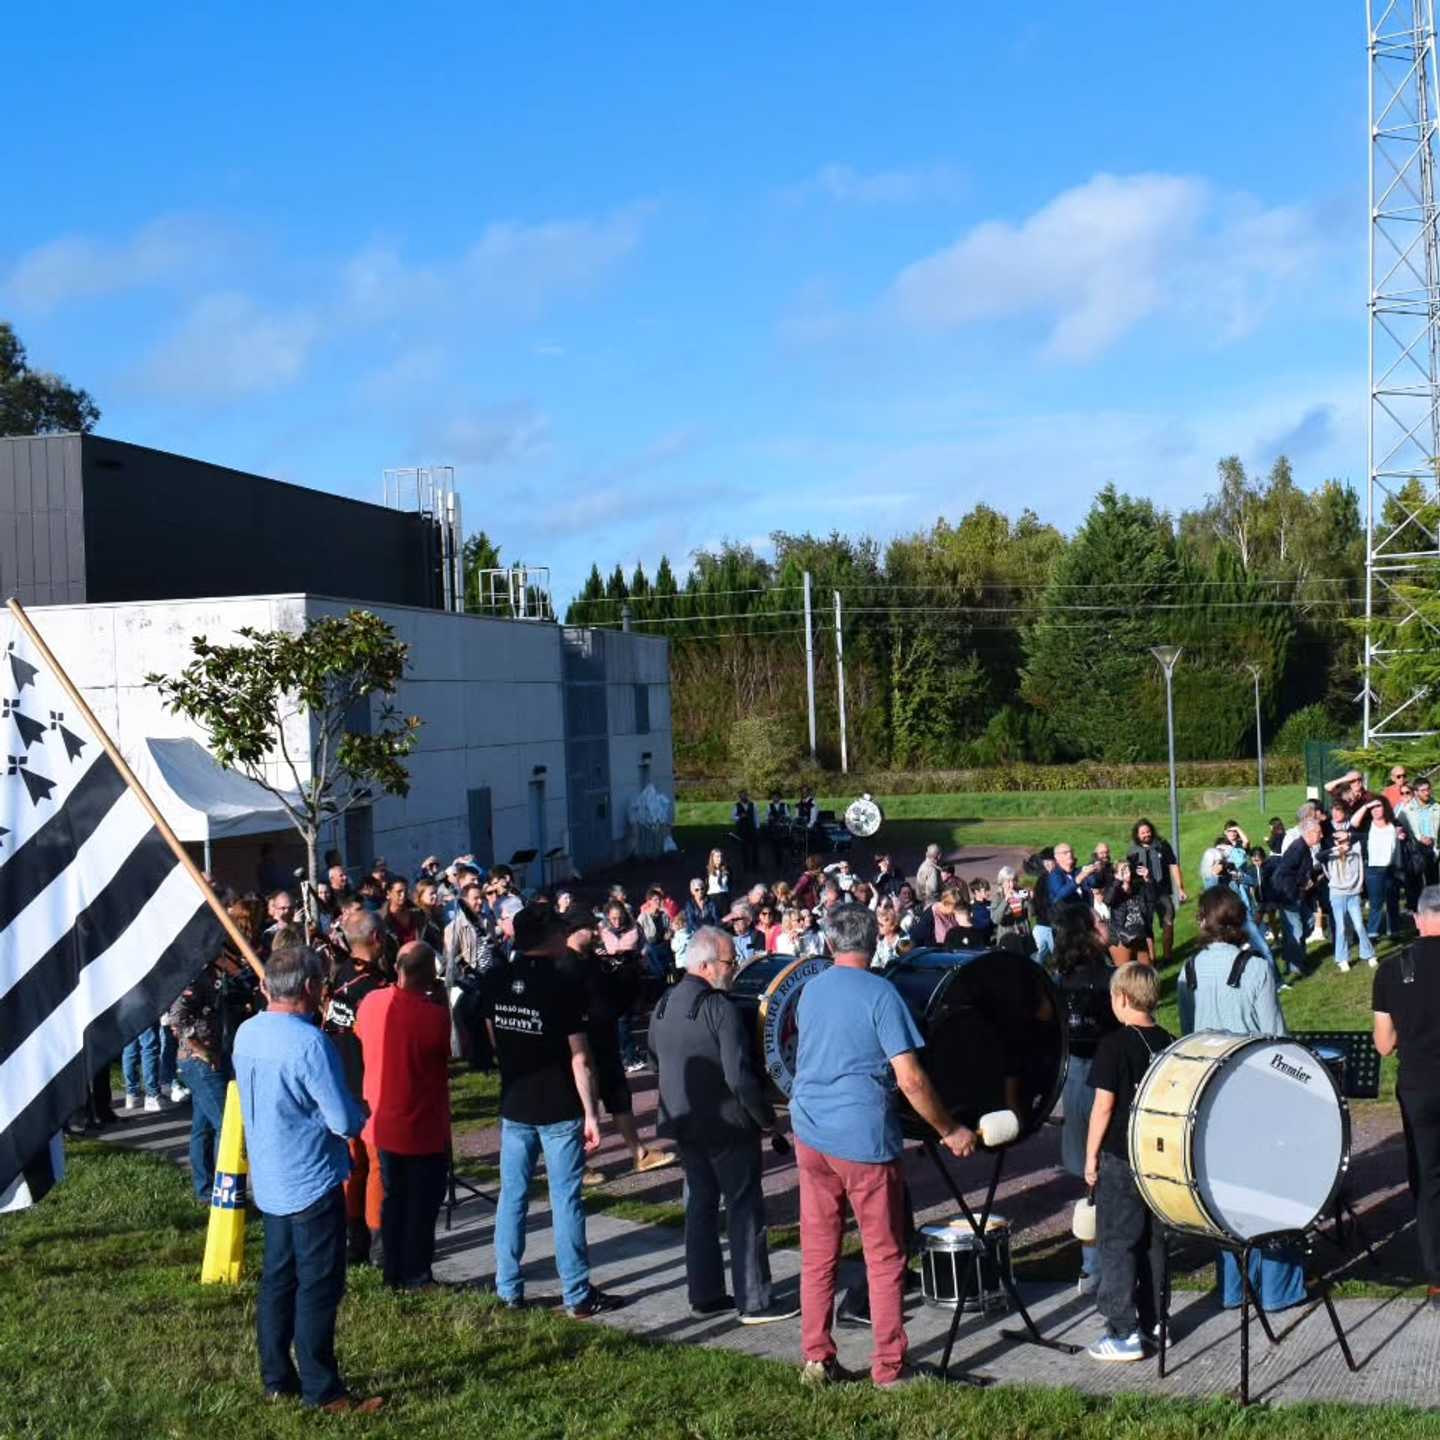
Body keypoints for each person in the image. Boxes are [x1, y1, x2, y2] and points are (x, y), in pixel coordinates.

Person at [790, 904, 976, 1389]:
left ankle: (817, 1357)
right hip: (861, 1139)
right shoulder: (881, 994)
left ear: (830, 942)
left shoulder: (811, 989)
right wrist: (949, 1129)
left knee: (818, 1251)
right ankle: (890, 1367)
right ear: (874, 943)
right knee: (885, 1254)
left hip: (810, 1131)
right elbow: (910, 1079)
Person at [232, 947, 380, 1414]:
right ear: (312, 988)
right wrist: (359, 1110)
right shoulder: (310, 1043)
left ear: (266, 987)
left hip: (271, 1177)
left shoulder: (248, 1031)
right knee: (318, 1286)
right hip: (310, 1178)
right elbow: (343, 1121)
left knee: (278, 1280)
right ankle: (324, 1390)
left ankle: (277, 1378)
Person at [647, 927, 799, 1324]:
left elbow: (654, 1061)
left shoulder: (663, 1003)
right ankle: (755, 1300)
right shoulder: (720, 1009)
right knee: (744, 1209)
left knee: (699, 1207)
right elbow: (739, 1078)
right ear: (706, 965)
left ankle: (705, 1293)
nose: (734, 969)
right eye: (730, 962)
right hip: (728, 1126)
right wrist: (766, 1119)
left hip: (683, 1122)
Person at [485, 906, 624, 1318]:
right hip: (559, 1106)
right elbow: (580, 1057)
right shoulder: (563, 984)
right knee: (565, 1201)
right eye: (560, 931)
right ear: (547, 937)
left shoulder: (496, 978)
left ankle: (508, 1289)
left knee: (512, 1197)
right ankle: (576, 1294)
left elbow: (493, 1035)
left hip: (515, 1102)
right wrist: (592, 1114)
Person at [1177, 888, 1305, 1313]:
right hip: (1254, 1091)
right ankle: (1277, 1288)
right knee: (1269, 1190)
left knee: (1224, 1195)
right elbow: (1276, 1037)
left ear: (1203, 921)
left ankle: (1235, 1287)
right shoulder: (1256, 968)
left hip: (1208, 1093)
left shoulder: (1188, 970)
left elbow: (1189, 1034)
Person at [1084, 963, 1173, 1362]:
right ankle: (1156, 1322)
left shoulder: (1113, 1045)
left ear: (1121, 998)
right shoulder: (1169, 1042)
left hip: (1121, 1155)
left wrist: (1091, 1156)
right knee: (1154, 1243)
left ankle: (1123, 1331)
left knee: (1117, 1242)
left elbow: (1103, 1107)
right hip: (1160, 1158)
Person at [352, 941, 452, 1291]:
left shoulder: (371, 1002)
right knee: (422, 1206)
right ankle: (417, 1274)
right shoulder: (434, 1016)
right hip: (422, 1126)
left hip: (382, 1121)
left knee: (393, 1201)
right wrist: (441, 1003)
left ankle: (392, 1270)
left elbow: (359, 1033)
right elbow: (448, 1052)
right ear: (428, 974)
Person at [559, 918, 675, 1182]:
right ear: (574, 930)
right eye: (589, 927)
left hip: (606, 1038)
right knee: (580, 1103)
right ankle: (578, 1164)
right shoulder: (564, 964)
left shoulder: (592, 960)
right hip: (581, 1041)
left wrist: (625, 975)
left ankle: (639, 1153)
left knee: (619, 1096)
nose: (595, 932)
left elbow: (612, 994)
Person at [166, 896, 262, 1205]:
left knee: (203, 1127)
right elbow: (177, 1019)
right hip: (199, 1060)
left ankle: (205, 1188)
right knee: (227, 1126)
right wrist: (201, 1050)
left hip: (212, 1054)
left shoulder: (212, 971)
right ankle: (227, 1194)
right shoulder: (194, 975)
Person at [1373, 885, 1440, 1309]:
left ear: (1417, 919)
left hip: (1419, 1086)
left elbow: (1383, 1044)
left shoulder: (1393, 968)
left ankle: (1437, 1278)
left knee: (1428, 1181)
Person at [1053, 905, 1118, 1295]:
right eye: (1101, 921)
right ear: (1088, 932)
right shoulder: (1109, 979)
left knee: (1089, 1176)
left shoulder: (1058, 981)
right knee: (1111, 1168)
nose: (1106, 925)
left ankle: (1091, 1263)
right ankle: (1108, 1261)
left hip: (1075, 1077)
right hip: (1104, 1076)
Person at [323, 909, 391, 1264]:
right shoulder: (375, 987)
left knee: (353, 1165)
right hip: (369, 1083)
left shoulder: (340, 976)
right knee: (376, 1165)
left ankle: (354, 1241)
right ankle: (378, 1243)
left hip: (341, 1082)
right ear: (377, 938)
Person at [1272, 815, 1326, 980]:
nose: (1322, 835)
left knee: (1308, 922)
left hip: (1297, 896)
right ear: (1309, 833)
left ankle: (1292, 957)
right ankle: (1296, 967)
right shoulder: (1297, 849)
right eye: (1319, 832)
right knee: (1296, 931)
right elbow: (1282, 873)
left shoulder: (1304, 847)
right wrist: (1301, 883)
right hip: (1289, 897)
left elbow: (1301, 871)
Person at [1127, 820, 1185, 965]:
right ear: (1137, 835)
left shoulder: (1162, 845)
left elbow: (1173, 865)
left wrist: (1180, 888)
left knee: (1168, 921)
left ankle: (1168, 957)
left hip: (1162, 891)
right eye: (1143, 833)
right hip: (1143, 894)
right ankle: (1152, 960)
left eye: (1148, 831)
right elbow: (1129, 874)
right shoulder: (1133, 851)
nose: (1146, 834)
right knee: (1147, 928)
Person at [1325, 831, 1376, 972]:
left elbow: (1366, 836)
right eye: (1340, 840)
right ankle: (1342, 958)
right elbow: (1319, 858)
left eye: (1346, 840)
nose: (1344, 844)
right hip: (1337, 895)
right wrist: (1336, 848)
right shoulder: (1331, 854)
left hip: (1353, 894)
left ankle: (1368, 954)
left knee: (1359, 926)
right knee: (1341, 927)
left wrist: (1348, 835)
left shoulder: (1356, 850)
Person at [1103, 861, 1153, 966]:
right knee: (1125, 971)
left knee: (1147, 969)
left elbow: (1151, 898)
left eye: (1128, 869)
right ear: (1116, 874)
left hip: (1139, 934)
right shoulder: (1114, 889)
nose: (1128, 873)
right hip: (1121, 937)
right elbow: (1107, 900)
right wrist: (1118, 881)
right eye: (1123, 871)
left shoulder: (1137, 886)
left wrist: (1147, 879)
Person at [1366, 806, 1403, 941]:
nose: (1375, 811)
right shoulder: (1368, 826)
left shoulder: (1394, 825)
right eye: (1372, 808)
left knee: (1392, 900)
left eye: (1379, 807)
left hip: (1391, 867)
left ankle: (1394, 930)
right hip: (1373, 868)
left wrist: (1399, 865)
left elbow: (1398, 845)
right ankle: (1372, 933)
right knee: (1376, 902)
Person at [993, 866, 1034, 956]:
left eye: (1013, 881)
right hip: (1007, 936)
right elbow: (995, 919)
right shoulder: (998, 897)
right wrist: (1005, 901)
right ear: (1002, 882)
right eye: (1008, 881)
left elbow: (1031, 914)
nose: (1011, 885)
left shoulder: (1020, 893)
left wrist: (1030, 900)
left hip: (1024, 935)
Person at [732, 791, 760, 873]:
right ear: (740, 797)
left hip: (752, 829)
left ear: (747, 796)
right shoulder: (736, 806)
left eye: (745, 795)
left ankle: (755, 866)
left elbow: (756, 816)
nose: (744, 797)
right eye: (742, 796)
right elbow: (732, 817)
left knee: (755, 848)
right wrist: (739, 817)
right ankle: (746, 866)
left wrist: (757, 827)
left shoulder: (753, 805)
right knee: (744, 849)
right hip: (742, 830)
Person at [765, 791, 791, 867]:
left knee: (783, 846)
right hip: (773, 829)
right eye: (773, 797)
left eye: (776, 797)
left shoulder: (784, 805)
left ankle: (785, 862)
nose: (775, 798)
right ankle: (777, 863)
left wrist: (784, 822)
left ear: (779, 798)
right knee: (775, 846)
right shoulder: (769, 806)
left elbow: (788, 816)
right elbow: (767, 817)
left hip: (782, 829)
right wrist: (769, 818)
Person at [705, 848, 732, 917]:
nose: (719, 858)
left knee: (725, 917)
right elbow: (705, 885)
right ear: (712, 858)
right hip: (712, 897)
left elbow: (730, 883)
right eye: (717, 856)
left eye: (721, 856)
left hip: (724, 896)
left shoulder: (727, 869)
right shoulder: (707, 870)